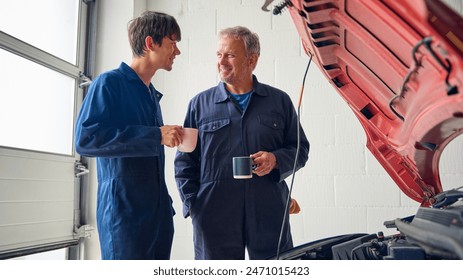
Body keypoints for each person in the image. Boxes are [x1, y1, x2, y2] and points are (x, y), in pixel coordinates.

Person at [174, 26, 310, 260]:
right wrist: (193, 206)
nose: (222, 62)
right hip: (214, 215)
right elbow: (185, 162)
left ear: (252, 60)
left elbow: (300, 149)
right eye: (219, 54)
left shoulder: (279, 102)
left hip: (268, 210)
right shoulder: (199, 105)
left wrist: (276, 159)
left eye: (230, 55)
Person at [75, 11, 183, 260]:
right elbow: (86, 139)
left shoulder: (150, 93)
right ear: (150, 43)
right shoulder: (108, 83)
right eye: (172, 42)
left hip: (157, 219)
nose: (176, 51)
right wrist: (155, 136)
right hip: (124, 221)